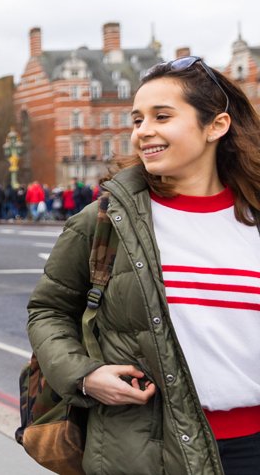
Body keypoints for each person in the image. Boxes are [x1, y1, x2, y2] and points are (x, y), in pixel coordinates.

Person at [27, 55, 260, 474]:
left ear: (216, 126)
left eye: (162, 116)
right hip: (144, 449)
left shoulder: (253, 219)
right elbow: (48, 311)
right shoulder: (104, 220)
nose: (143, 132)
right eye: (137, 120)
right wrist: (83, 375)